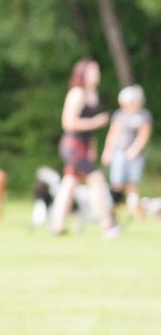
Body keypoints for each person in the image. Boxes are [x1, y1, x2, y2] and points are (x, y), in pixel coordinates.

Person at [49, 58, 120, 239]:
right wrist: (96, 122)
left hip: (85, 145)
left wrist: (92, 147)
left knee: (70, 183)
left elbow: (90, 132)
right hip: (73, 145)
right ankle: (107, 225)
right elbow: (68, 123)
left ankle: (57, 225)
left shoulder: (93, 94)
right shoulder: (77, 94)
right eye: (93, 71)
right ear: (82, 74)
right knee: (96, 180)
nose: (97, 74)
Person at [101, 84, 153, 218]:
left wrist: (134, 150)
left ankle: (133, 211)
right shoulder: (120, 115)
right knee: (116, 183)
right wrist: (107, 151)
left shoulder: (144, 115)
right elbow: (113, 134)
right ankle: (114, 211)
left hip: (135, 155)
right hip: (119, 152)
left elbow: (144, 135)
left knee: (132, 183)